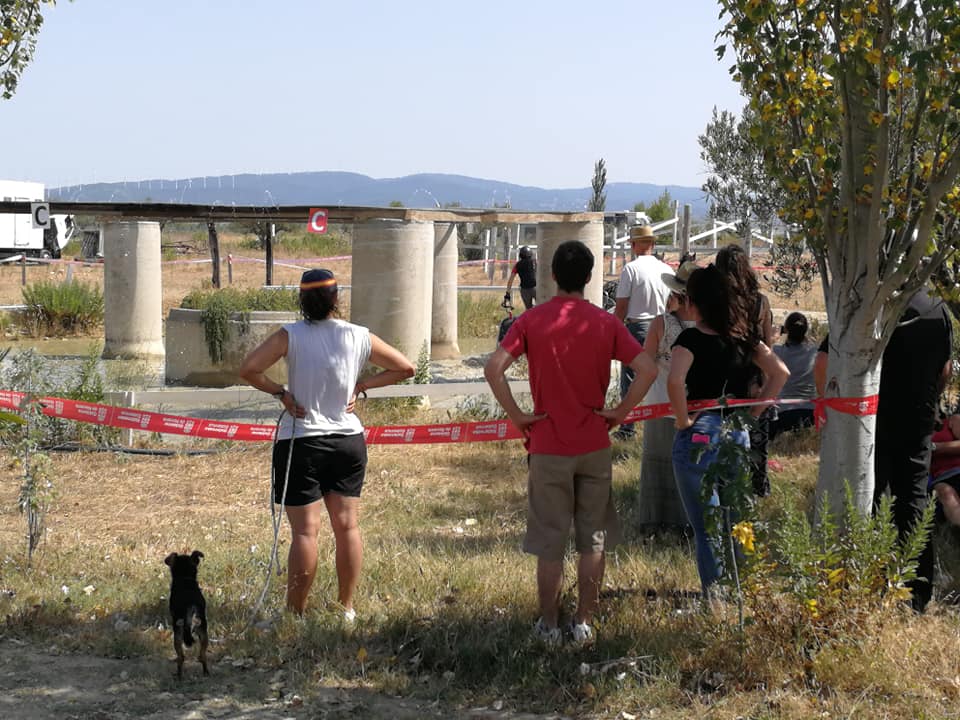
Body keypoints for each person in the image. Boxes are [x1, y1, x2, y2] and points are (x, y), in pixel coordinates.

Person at [484, 240, 657, 645]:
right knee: (592, 540)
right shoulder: (606, 323)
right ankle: (582, 623)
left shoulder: (532, 321)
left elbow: (494, 368)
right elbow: (646, 370)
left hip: (546, 444)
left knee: (550, 541)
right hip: (594, 442)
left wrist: (517, 416)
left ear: (553, 276)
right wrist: (620, 412)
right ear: (591, 277)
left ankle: (548, 623)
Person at [239, 269, 415, 618]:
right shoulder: (358, 335)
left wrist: (281, 393)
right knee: (347, 526)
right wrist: (361, 387)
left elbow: (249, 369)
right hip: (348, 440)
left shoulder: (289, 335)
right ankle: (346, 608)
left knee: (305, 533)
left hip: (302, 441)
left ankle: (295, 613)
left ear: (302, 302)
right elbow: (406, 368)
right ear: (337, 299)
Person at [667, 265, 788, 598]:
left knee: (708, 530)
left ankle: (716, 601)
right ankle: (743, 592)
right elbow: (780, 373)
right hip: (737, 433)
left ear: (694, 302)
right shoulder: (744, 339)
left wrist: (682, 421)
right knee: (738, 522)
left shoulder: (688, 338)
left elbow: (675, 381)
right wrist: (752, 415)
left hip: (699, 434)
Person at [873, 288, 952, 612]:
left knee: (874, 498)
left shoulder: (875, 303)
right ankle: (917, 593)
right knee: (914, 502)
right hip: (918, 417)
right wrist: (931, 399)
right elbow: (946, 368)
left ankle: (875, 582)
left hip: (876, 417)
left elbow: (826, 359)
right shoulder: (938, 307)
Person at [636, 260, 699, 528]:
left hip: (660, 403)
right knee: (691, 466)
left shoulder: (661, 324)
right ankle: (689, 520)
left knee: (658, 467)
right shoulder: (709, 326)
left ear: (678, 295)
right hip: (696, 407)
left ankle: (656, 521)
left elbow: (645, 364)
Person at [715, 244, 775, 496]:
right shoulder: (760, 303)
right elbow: (769, 344)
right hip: (754, 380)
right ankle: (757, 489)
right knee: (757, 445)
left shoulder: (717, 303)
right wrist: (764, 381)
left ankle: (724, 488)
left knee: (721, 443)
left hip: (722, 382)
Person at [613, 224, 674, 439]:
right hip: (665, 326)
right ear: (653, 244)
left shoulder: (631, 269)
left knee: (630, 379)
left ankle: (627, 428)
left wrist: (614, 332)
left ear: (633, 244)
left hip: (637, 327)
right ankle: (663, 421)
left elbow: (621, 306)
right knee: (661, 375)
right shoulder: (667, 270)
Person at [769, 312, 818, 439]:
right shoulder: (815, 353)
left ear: (786, 329)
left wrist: (775, 335)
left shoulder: (776, 352)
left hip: (782, 413)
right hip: (810, 413)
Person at [930, 414, 960, 528]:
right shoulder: (919, 431)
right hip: (941, 477)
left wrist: (935, 447)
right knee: (945, 493)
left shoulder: (952, 420)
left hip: (958, 470)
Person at [505, 246, 537, 311]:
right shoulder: (535, 262)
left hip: (524, 290)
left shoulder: (517, 265)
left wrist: (507, 293)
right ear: (530, 254)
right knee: (541, 308)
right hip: (536, 288)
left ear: (520, 255)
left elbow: (510, 280)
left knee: (529, 310)